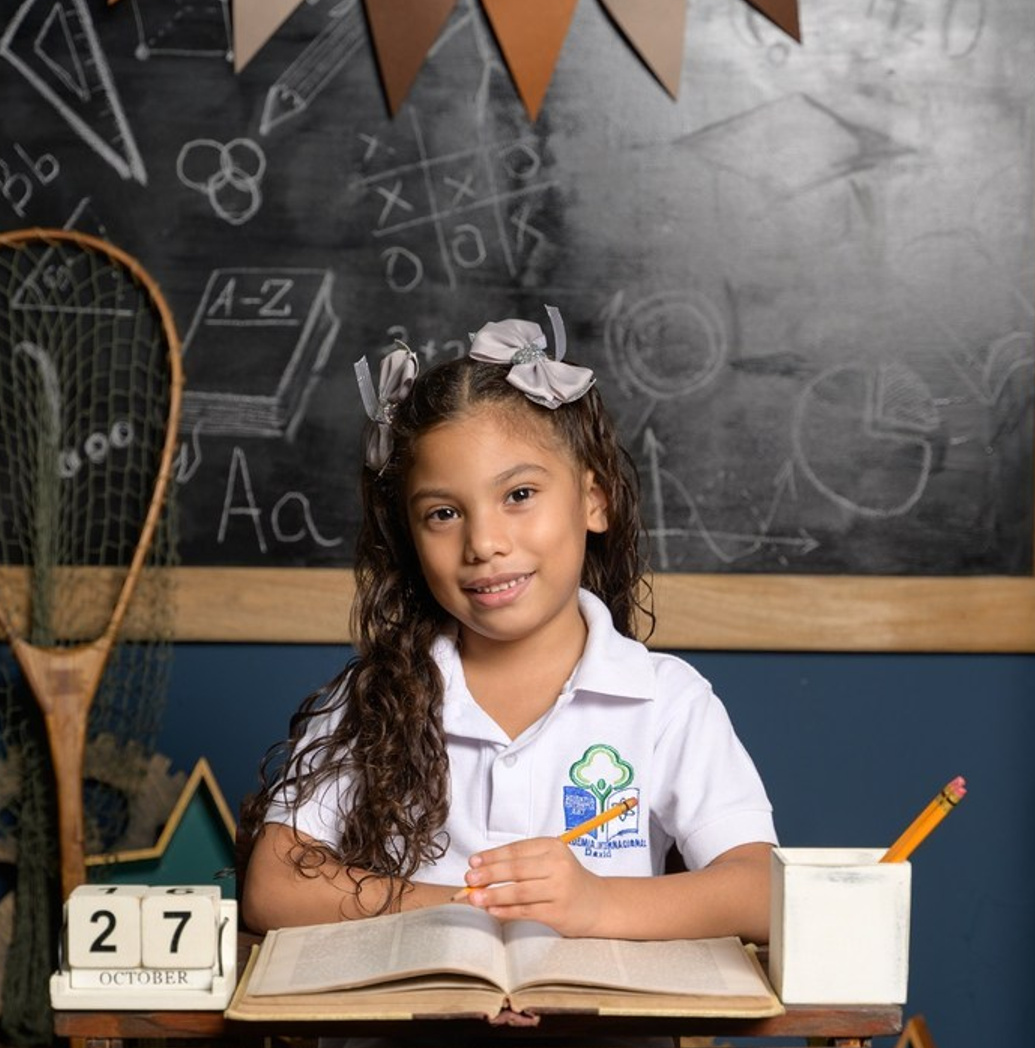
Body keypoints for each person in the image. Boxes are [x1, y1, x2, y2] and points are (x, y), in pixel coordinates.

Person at [240, 307, 777, 942]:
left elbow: (762, 891)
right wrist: (465, 908)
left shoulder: (664, 703)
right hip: (407, 1039)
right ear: (409, 538)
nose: (484, 543)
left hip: (601, 1042)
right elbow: (273, 886)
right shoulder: (373, 698)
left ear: (593, 499)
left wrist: (596, 904)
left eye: (519, 495)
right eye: (443, 513)